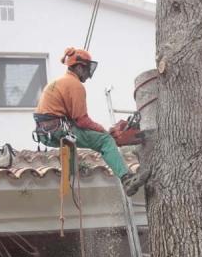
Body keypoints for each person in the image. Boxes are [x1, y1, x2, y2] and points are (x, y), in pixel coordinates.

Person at [34, 47, 149, 197]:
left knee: (75, 141)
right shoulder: (75, 85)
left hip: (46, 133)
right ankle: (126, 179)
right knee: (105, 141)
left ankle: (74, 172)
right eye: (88, 69)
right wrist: (103, 131)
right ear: (80, 67)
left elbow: (73, 119)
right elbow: (82, 120)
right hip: (58, 129)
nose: (88, 75)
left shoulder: (59, 82)